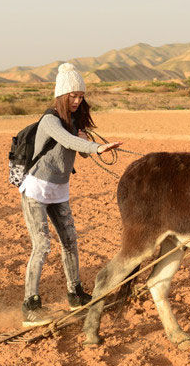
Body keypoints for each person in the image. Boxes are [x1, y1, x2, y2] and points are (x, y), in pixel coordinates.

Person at [19, 63, 122, 326]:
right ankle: (30, 305)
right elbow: (68, 142)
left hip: (59, 190)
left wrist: (92, 143)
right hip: (36, 189)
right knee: (42, 245)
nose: (77, 100)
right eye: (73, 96)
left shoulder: (72, 122)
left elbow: (81, 149)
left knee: (70, 241)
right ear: (62, 96)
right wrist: (96, 146)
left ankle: (75, 294)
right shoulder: (50, 120)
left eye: (81, 96)